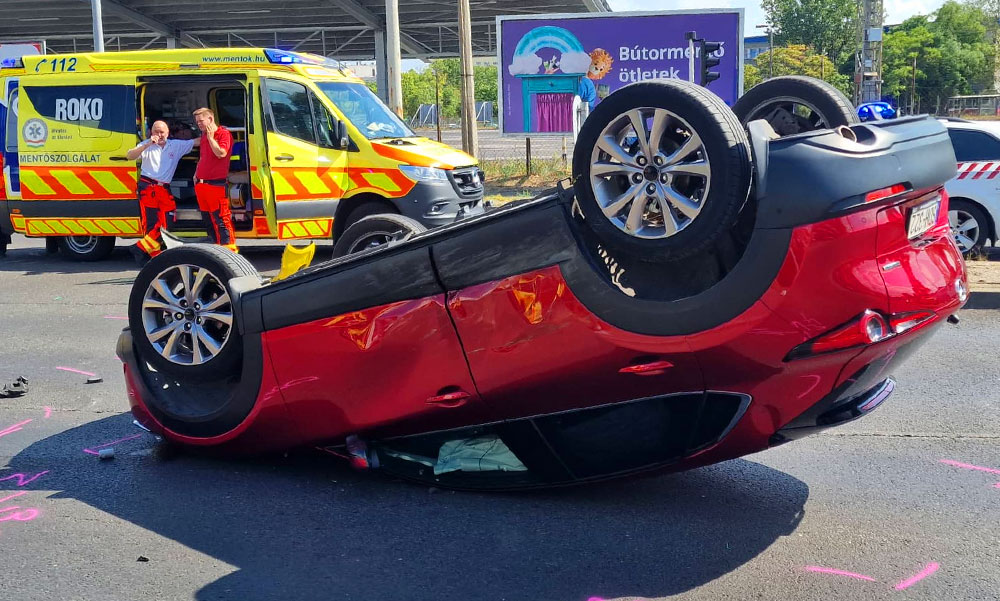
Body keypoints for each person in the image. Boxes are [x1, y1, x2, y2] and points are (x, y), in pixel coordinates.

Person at [126, 119, 196, 264]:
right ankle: (154, 257)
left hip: (164, 188)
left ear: (168, 133)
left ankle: (140, 247)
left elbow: (196, 142)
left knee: (168, 220)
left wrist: (215, 133)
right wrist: (147, 144)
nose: (159, 135)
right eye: (156, 132)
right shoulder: (146, 145)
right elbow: (130, 155)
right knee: (151, 223)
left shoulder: (175, 145)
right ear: (151, 132)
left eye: (162, 132)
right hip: (148, 186)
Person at [192, 107, 237, 252]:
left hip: (216, 185)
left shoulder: (223, 134)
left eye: (201, 121)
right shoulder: (204, 135)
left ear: (210, 119)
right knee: (208, 220)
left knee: (221, 219)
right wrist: (196, 173)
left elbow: (221, 153)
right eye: (197, 122)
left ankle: (229, 252)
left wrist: (211, 138)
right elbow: (203, 157)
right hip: (201, 184)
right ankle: (216, 250)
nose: (198, 124)